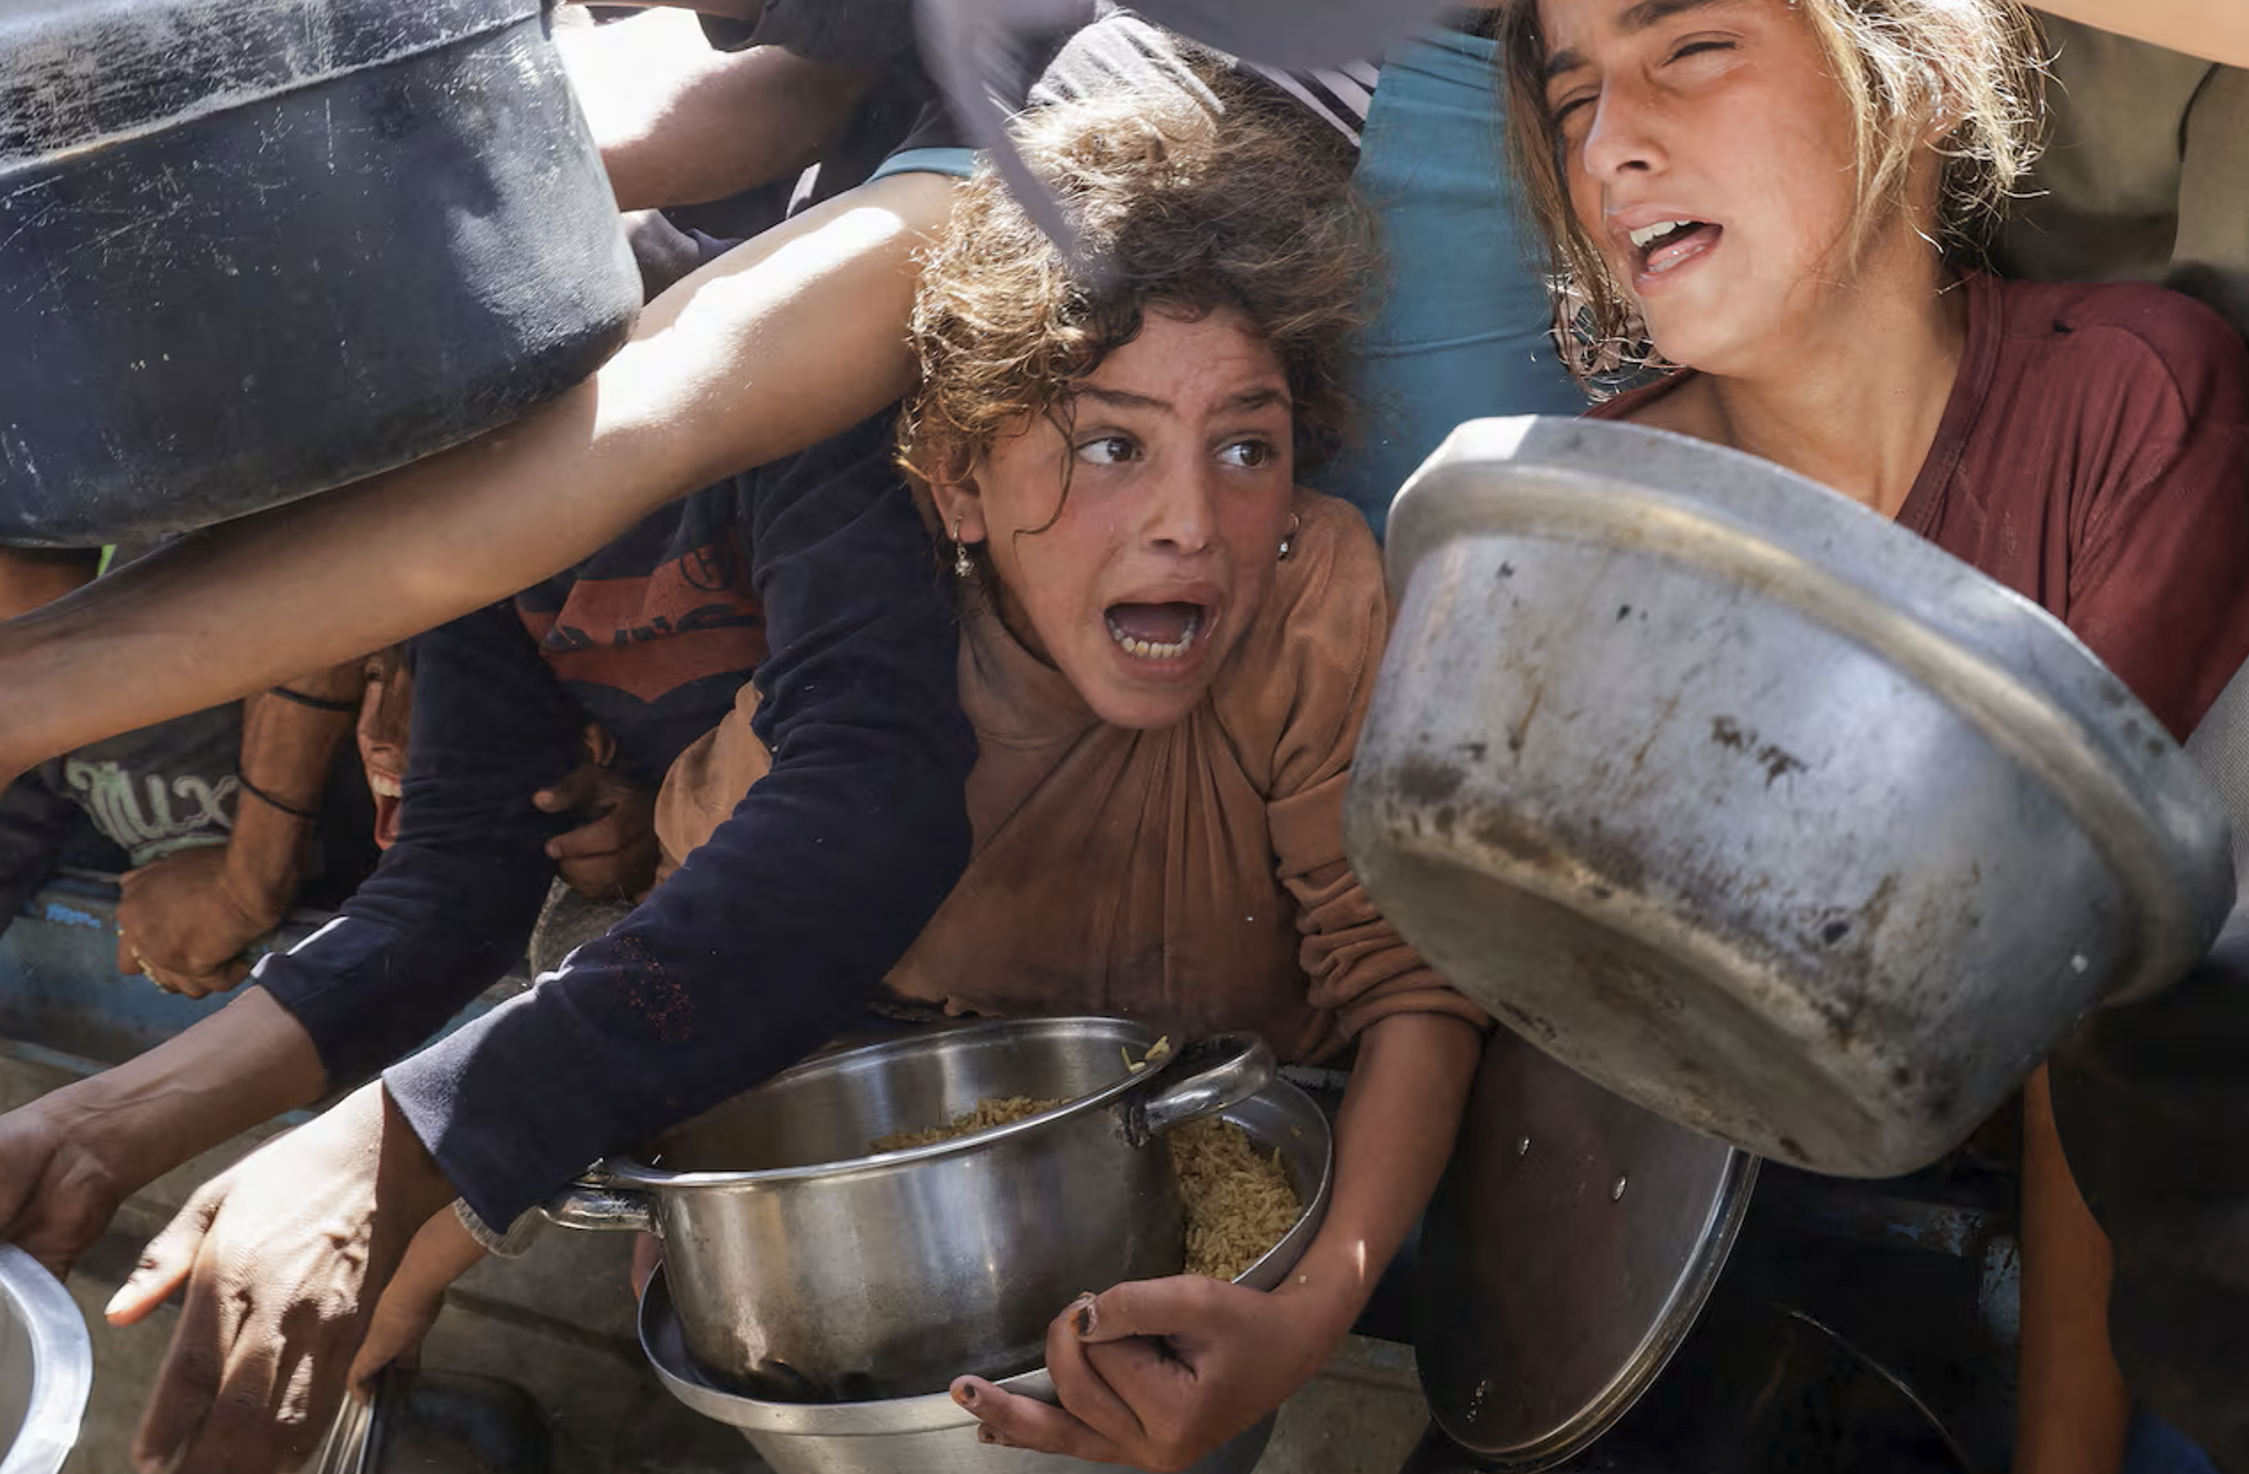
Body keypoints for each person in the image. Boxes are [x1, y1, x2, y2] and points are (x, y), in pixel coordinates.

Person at [345, 88, 1483, 1471]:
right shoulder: (857, 703)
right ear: (953, 479)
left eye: (1248, 446)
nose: (1193, 522)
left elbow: (1413, 991)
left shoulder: (1312, 612)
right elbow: (697, 964)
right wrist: (677, 1211)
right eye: (1111, 445)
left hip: (1198, 1271)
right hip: (883, 1311)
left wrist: (1304, 1318)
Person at [1491, 2, 2249, 1472]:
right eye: (1572, 95)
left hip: (2102, 1246)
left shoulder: (2130, 409)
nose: (1611, 146)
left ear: (1927, 79)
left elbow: (2092, 1045)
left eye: (1693, 48)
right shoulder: (1595, 528)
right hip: (1701, 1284)